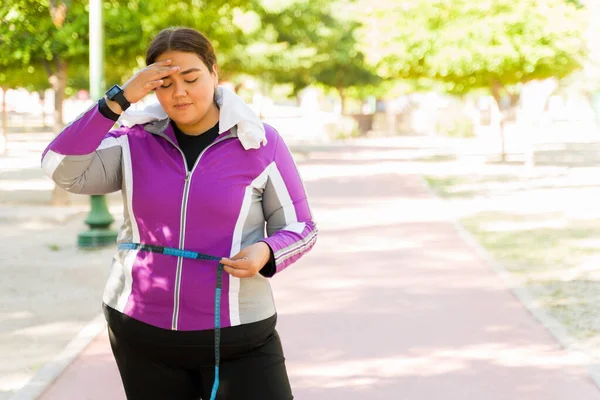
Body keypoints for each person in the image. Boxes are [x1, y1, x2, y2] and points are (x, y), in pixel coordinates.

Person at [41, 27, 318, 400]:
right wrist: (118, 101)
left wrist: (267, 252)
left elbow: (302, 227)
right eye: (164, 83)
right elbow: (59, 168)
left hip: (240, 335)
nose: (180, 93)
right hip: (140, 332)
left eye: (191, 78)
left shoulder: (260, 143)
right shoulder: (132, 141)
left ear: (214, 73)